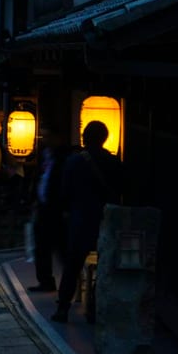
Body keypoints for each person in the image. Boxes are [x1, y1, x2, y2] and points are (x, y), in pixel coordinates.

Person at [52, 120, 121, 323]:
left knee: (73, 266)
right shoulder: (113, 162)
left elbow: (64, 193)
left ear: (84, 137)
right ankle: (94, 307)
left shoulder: (74, 162)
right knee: (105, 265)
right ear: (104, 138)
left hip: (80, 220)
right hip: (106, 220)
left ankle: (63, 308)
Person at [29, 124, 73, 292]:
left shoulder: (65, 157)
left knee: (62, 248)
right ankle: (45, 281)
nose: (44, 140)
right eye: (43, 136)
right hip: (43, 206)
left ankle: (69, 284)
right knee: (41, 247)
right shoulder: (44, 154)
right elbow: (40, 177)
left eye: (47, 136)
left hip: (57, 209)